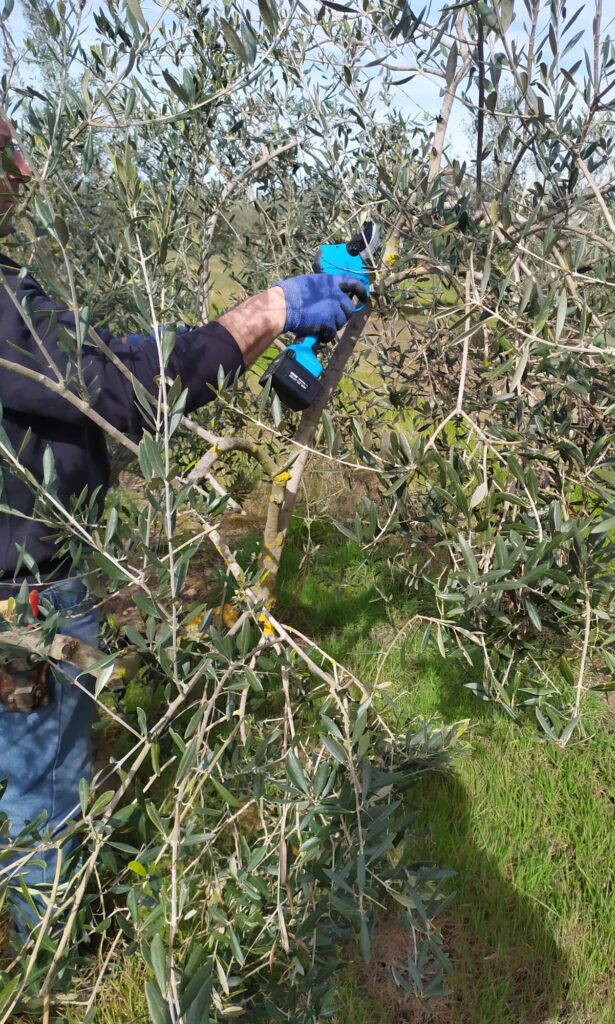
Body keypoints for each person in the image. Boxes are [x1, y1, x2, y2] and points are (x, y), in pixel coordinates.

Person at [0, 116, 366, 944]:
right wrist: (270, 311)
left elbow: (93, 362)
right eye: (4, 150)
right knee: (38, 797)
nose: (23, 170)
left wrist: (243, 321)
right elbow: (117, 394)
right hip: (21, 606)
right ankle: (52, 955)